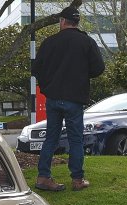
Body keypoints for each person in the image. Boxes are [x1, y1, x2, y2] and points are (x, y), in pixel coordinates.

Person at [31, 6, 104, 192]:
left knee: (51, 138)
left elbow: (36, 69)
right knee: (75, 139)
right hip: (74, 97)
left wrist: (47, 86)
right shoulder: (86, 42)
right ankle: (77, 179)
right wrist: (81, 74)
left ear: (62, 21)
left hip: (53, 97)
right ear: (77, 22)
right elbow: (98, 68)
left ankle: (43, 177)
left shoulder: (49, 42)